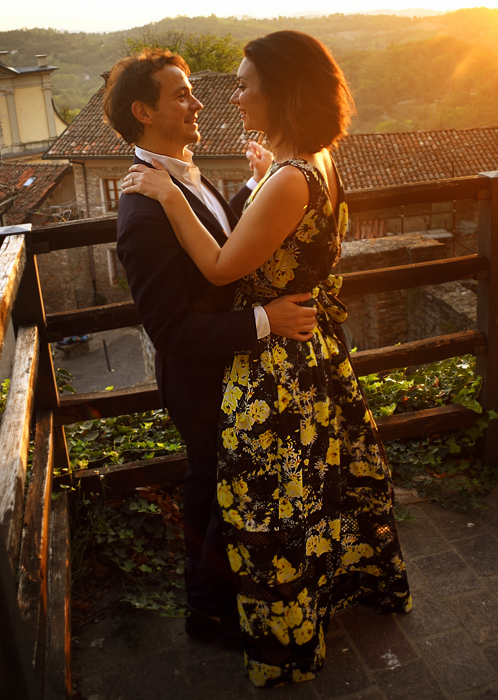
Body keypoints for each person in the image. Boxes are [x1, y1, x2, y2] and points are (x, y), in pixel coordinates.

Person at [122, 31, 412, 687]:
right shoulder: (315, 161)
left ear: (280, 92)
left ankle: (279, 625)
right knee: (310, 487)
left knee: (274, 503)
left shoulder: (289, 178)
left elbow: (227, 263)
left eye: (246, 82)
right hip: (309, 352)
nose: (232, 94)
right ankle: (301, 598)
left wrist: (172, 194)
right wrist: (258, 181)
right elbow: (280, 240)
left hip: (277, 365)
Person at [105, 50, 319, 646]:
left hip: (229, 371)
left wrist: (255, 183)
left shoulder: (183, 175)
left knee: (221, 487)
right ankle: (208, 612)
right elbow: (169, 331)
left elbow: (220, 237)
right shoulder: (142, 208)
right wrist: (264, 321)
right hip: (200, 380)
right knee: (212, 491)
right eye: (181, 95)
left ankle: (218, 603)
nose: (197, 104)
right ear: (144, 112)